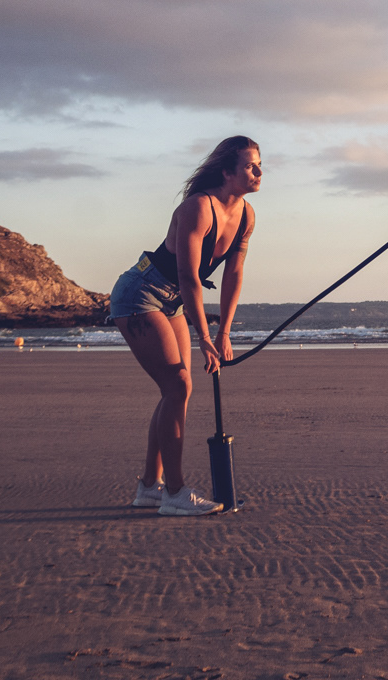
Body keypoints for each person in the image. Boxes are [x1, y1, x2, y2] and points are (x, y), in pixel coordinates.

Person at [108, 135, 260, 516]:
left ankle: (149, 488)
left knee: (176, 390)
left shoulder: (246, 215)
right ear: (227, 171)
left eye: (260, 165)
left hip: (172, 301)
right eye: (249, 165)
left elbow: (234, 275)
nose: (258, 172)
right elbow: (189, 276)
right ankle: (174, 493)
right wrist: (204, 336)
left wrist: (224, 332)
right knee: (177, 385)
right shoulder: (198, 208)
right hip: (140, 293)